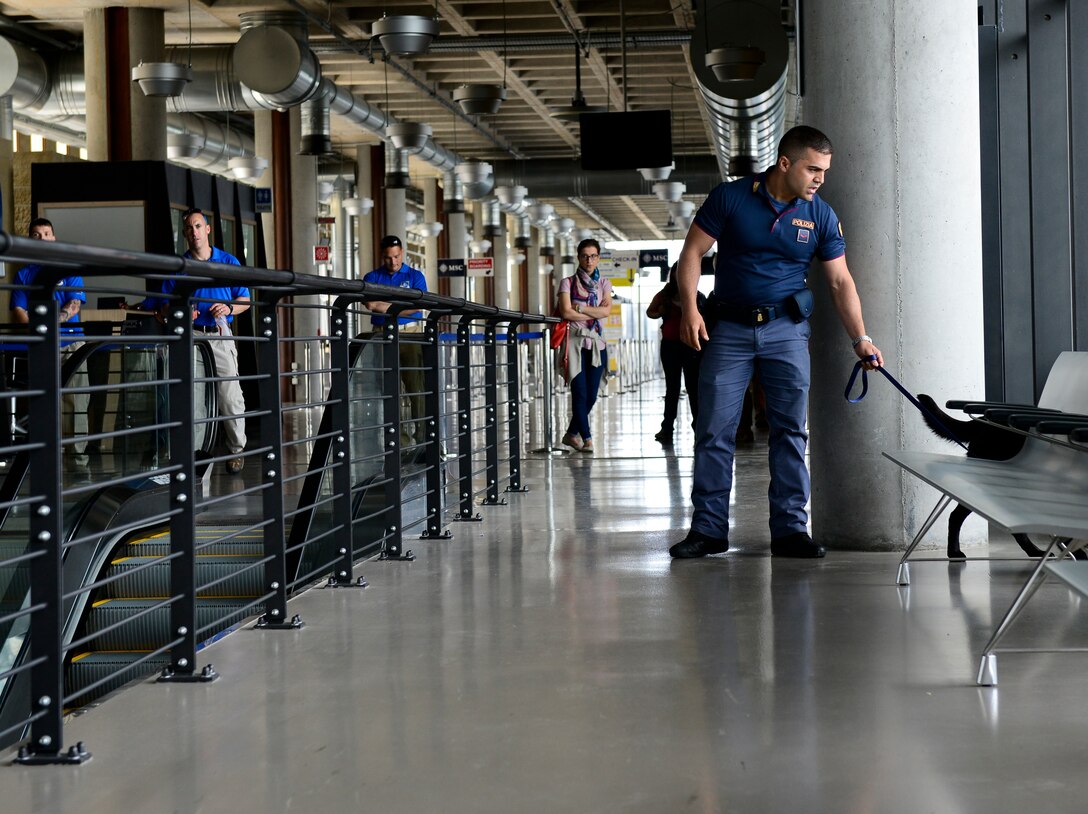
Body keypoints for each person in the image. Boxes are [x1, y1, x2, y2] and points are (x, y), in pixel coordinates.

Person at [669, 125, 884, 560]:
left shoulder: (820, 214)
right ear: (784, 164)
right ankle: (708, 530)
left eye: (824, 170)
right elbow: (691, 253)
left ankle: (789, 530)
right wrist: (690, 309)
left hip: (786, 331)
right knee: (714, 431)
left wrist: (860, 338)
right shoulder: (730, 198)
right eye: (813, 169)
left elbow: (840, 280)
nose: (820, 178)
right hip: (727, 330)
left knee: (789, 431)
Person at [161, 208, 251, 475]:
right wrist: (181, 311)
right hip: (192, 336)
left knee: (229, 395)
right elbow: (166, 306)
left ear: (208, 229)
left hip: (220, 335)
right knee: (194, 398)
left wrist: (228, 307)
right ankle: (198, 457)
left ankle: (237, 450)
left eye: (198, 226)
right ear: (185, 233)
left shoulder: (228, 262)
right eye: (189, 228)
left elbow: (244, 300)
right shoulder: (179, 266)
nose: (194, 232)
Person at [10, 218, 89, 470]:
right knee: (45, 405)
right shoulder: (24, 273)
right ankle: (48, 465)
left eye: (46, 233)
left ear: (54, 238)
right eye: (36, 234)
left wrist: (47, 323)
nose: (42, 238)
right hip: (42, 348)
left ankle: (78, 465)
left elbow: (74, 304)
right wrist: (40, 328)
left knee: (76, 405)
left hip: (72, 344)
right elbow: (19, 310)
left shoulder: (69, 267)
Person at [363, 235, 428, 446]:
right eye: (389, 258)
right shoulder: (372, 276)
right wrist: (401, 305)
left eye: (397, 256)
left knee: (415, 387)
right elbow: (371, 305)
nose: (394, 262)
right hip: (382, 335)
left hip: (410, 335)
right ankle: (399, 440)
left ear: (403, 253)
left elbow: (419, 305)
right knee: (388, 388)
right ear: (382, 256)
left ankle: (423, 436)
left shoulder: (415, 276)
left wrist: (386, 305)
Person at [556, 238, 612, 454]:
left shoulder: (604, 283)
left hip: (597, 344)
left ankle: (571, 435)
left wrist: (580, 307)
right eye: (585, 256)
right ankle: (587, 439)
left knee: (591, 395)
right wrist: (592, 309)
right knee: (579, 394)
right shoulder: (567, 283)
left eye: (593, 256)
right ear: (578, 257)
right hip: (574, 344)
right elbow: (565, 312)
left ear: (598, 257)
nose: (589, 260)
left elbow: (606, 312)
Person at [646, 264, 703, 444]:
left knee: (693, 388)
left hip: (690, 346)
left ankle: (699, 427)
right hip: (670, 346)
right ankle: (667, 427)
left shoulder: (696, 296)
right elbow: (650, 312)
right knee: (672, 388)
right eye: (678, 272)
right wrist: (661, 311)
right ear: (673, 274)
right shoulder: (665, 295)